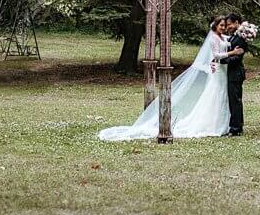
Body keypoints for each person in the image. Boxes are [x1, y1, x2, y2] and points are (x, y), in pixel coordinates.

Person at [98, 15, 235, 141]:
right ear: (215, 26)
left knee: (222, 95)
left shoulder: (223, 37)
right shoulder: (213, 38)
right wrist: (233, 52)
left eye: (224, 25)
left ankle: (221, 123)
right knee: (215, 94)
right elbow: (216, 54)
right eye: (221, 25)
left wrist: (242, 33)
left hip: (222, 71)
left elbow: (231, 41)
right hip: (218, 71)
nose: (223, 28)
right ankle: (213, 124)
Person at [217, 12, 247, 136]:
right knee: (235, 100)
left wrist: (223, 60)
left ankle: (235, 128)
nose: (227, 27)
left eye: (229, 24)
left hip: (236, 73)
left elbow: (237, 58)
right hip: (233, 72)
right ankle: (238, 126)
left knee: (235, 101)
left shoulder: (240, 38)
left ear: (236, 23)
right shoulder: (234, 36)